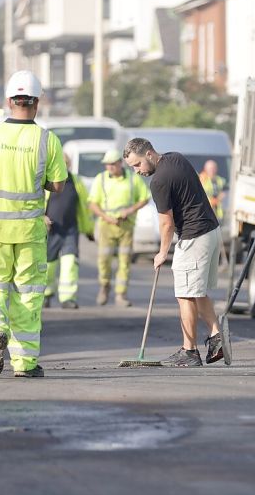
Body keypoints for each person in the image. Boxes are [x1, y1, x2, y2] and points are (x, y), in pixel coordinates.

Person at [0, 70, 67, 378]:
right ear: (37, 103)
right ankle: (24, 364)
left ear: (9, 101)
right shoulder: (47, 139)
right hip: (29, 230)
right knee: (28, 294)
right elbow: (59, 185)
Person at [123, 137, 224, 367]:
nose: (137, 171)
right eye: (132, 167)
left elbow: (166, 223)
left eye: (137, 165)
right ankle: (217, 336)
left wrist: (161, 253)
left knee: (185, 294)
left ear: (149, 154)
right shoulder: (175, 158)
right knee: (196, 291)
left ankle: (189, 351)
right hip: (211, 231)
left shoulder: (159, 181)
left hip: (194, 236)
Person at [87, 149, 150, 307]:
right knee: (104, 260)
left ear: (120, 163)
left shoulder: (132, 179)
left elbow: (144, 198)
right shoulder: (100, 179)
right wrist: (106, 217)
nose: (110, 167)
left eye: (112, 164)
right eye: (107, 164)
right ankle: (104, 286)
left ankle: (121, 294)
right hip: (106, 225)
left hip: (126, 225)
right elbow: (92, 203)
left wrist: (129, 211)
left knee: (124, 261)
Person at [43, 152, 94, 309]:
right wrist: (41, 217)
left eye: (66, 163)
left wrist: (88, 229)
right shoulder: (46, 180)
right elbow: (35, 201)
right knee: (48, 265)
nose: (63, 165)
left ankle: (68, 298)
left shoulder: (75, 181)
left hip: (70, 229)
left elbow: (85, 207)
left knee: (70, 262)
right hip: (51, 230)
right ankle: (46, 295)